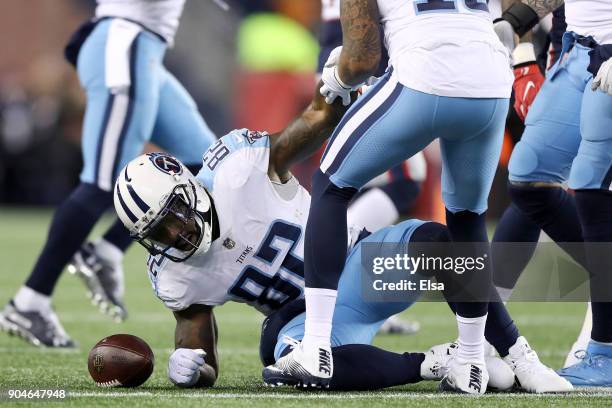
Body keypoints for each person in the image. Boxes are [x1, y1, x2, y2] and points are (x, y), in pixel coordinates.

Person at [115, 84, 570, 393]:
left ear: (187, 188)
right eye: (157, 233)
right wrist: (191, 368)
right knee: (298, 369)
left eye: (171, 217)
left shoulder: (238, 169)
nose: (175, 233)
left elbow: (314, 120)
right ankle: (438, 362)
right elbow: (199, 348)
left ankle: (511, 349)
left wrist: (337, 86)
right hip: (299, 319)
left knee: (439, 243)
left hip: (360, 267)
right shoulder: (175, 273)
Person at [270, 0, 515, 394]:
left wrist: (335, 80)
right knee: (467, 216)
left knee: (330, 186)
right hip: (492, 82)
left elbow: (364, 57)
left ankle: (314, 347)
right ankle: (471, 362)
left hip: (424, 77)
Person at [0, 0, 216, 347]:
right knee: (102, 182)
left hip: (145, 52)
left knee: (206, 162)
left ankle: (107, 251)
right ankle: (30, 301)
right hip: (125, 44)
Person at [493, 0, 612, 387]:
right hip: (575, 49)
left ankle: (606, 351)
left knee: (592, 189)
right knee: (529, 179)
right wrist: (515, 26)